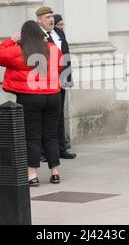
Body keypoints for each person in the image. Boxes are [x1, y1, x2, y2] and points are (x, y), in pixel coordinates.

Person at [0, 20, 63, 186]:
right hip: (53, 95)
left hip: (30, 97)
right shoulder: (53, 49)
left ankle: (32, 175)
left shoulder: (18, 50)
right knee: (51, 135)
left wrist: (10, 40)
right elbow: (59, 67)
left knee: (32, 137)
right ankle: (55, 173)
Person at [37, 9, 76, 160]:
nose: (51, 20)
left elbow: (66, 56)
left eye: (52, 17)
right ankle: (43, 151)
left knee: (59, 114)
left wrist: (67, 78)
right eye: (47, 17)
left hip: (61, 79)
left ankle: (60, 148)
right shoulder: (37, 35)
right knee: (46, 116)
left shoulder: (59, 33)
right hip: (46, 81)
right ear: (39, 20)